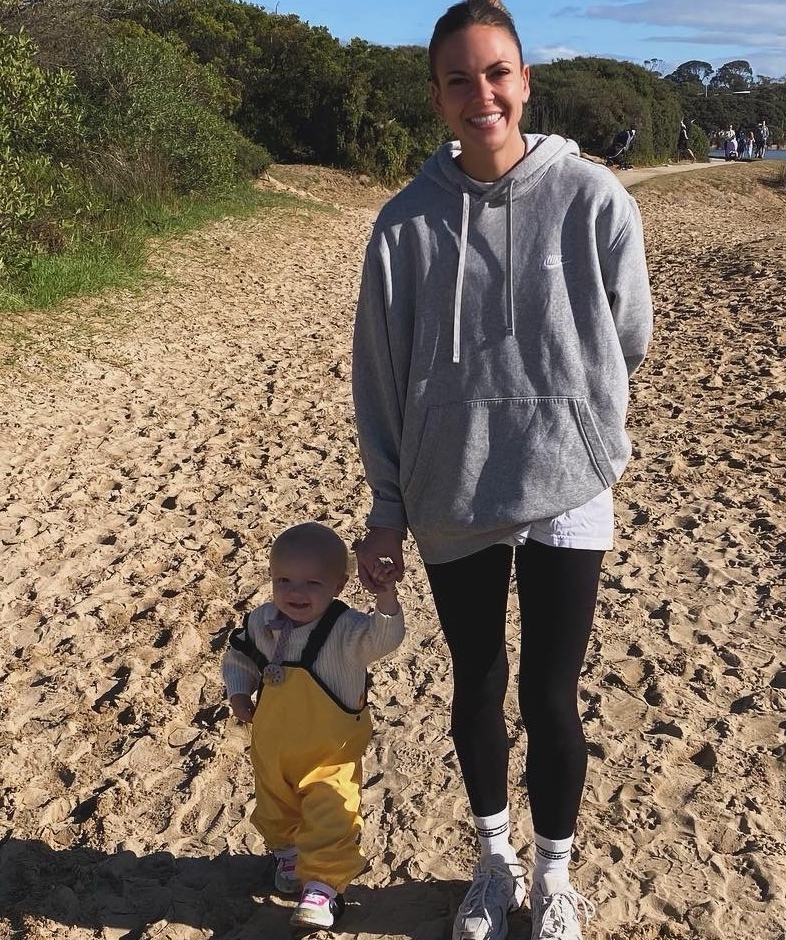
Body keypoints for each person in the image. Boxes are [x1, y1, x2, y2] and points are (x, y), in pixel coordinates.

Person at [351, 3, 653, 939]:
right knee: (476, 686)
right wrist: (388, 507)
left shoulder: (594, 198)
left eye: (496, 73)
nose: (480, 94)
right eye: (459, 79)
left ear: (524, 82)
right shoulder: (403, 225)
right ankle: (495, 862)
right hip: (453, 490)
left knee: (551, 694)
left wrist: (576, 417)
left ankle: (555, 876)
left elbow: (628, 338)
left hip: (568, 482)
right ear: (437, 96)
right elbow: (380, 377)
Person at [222, 522, 404, 930]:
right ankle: (288, 855)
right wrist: (239, 691)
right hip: (273, 748)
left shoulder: (348, 629)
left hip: (329, 755)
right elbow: (240, 657)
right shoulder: (262, 621)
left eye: (312, 583)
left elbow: (385, 639)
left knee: (332, 817)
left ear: (339, 585)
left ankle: (322, 887)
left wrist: (385, 598)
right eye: (283, 580)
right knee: (275, 810)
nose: (296, 592)